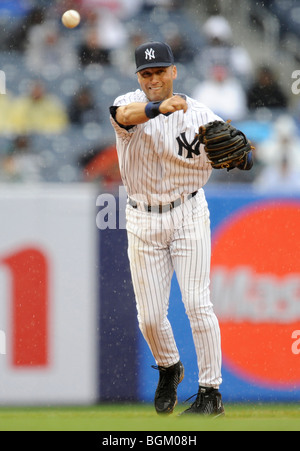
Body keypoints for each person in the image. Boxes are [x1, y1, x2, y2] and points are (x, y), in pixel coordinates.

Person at [109, 41, 253, 417]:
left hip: (188, 211)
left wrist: (244, 155)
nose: (153, 79)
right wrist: (157, 107)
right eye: (146, 73)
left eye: (160, 71)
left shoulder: (202, 115)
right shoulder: (129, 103)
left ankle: (211, 393)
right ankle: (170, 366)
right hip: (142, 217)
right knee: (151, 317)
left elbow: (241, 155)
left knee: (197, 303)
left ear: (174, 72)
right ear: (138, 76)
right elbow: (125, 115)